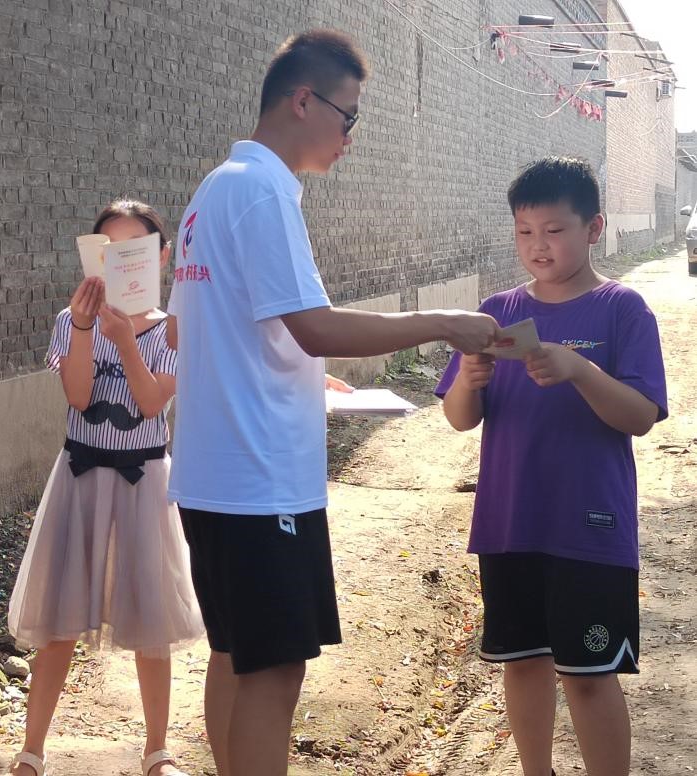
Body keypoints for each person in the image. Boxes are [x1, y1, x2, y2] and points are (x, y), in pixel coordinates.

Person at [166, 29, 499, 776]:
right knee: (275, 669)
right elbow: (315, 326)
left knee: (238, 655)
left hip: (216, 474)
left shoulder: (216, 189)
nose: (351, 135)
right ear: (302, 100)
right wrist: (443, 322)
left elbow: (216, 329)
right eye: (349, 116)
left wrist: (301, 380)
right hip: (258, 481)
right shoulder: (261, 191)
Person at [437, 156, 668, 776]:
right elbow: (460, 418)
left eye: (554, 230)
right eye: (525, 231)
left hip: (588, 527)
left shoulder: (623, 309)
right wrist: (469, 378)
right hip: (510, 521)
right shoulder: (497, 312)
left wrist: (580, 370)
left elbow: (641, 416)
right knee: (522, 665)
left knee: (590, 676)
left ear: (594, 228)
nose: (538, 245)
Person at [7, 200, 203, 776]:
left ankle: (157, 750)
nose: (120, 261)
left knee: (150, 619)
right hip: (79, 477)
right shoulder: (71, 320)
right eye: (107, 250)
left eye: (134, 249)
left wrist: (124, 340)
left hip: (144, 479)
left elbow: (151, 402)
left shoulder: (173, 327)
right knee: (60, 619)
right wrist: (87, 327)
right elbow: (78, 395)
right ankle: (32, 750)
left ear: (160, 257)